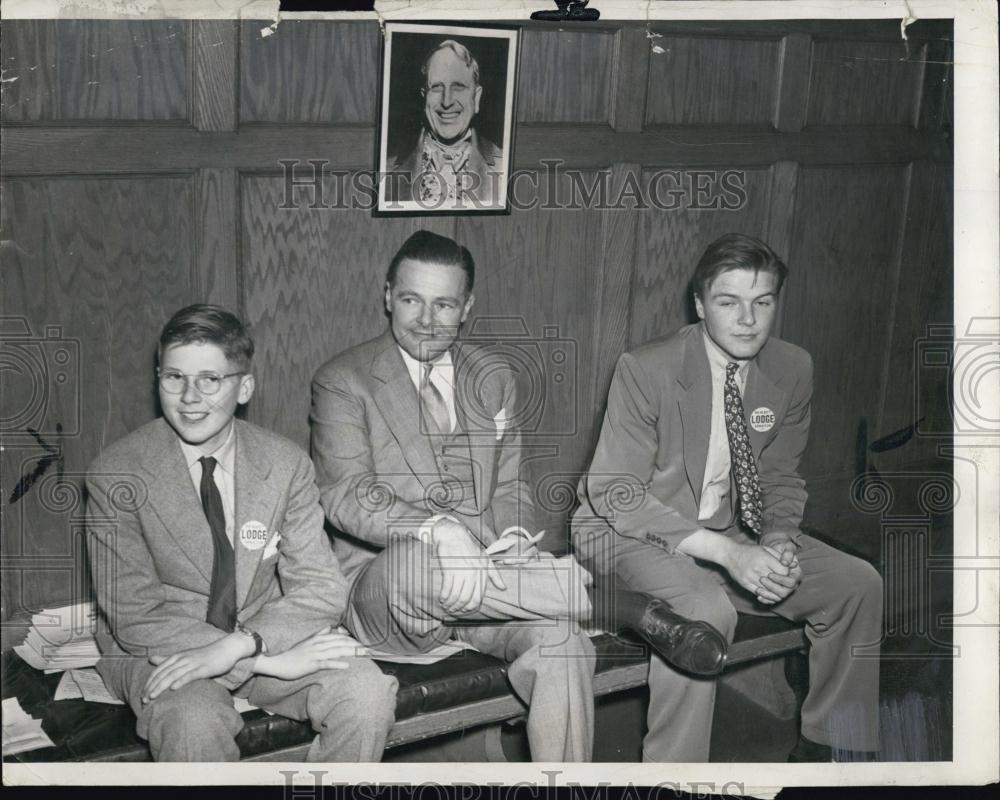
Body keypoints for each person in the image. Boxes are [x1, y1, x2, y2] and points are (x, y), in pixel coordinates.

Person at [572, 233, 883, 763]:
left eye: (762, 302)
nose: (748, 320)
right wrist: (730, 555)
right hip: (622, 533)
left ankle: (832, 754)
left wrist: (780, 537)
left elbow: (781, 475)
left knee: (858, 585)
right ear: (699, 305)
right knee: (703, 610)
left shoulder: (792, 369)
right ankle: (676, 774)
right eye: (728, 302)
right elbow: (616, 494)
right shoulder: (647, 369)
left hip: (733, 531)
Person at [310, 230, 595, 761]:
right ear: (387, 294)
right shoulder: (344, 381)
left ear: (467, 308)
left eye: (444, 304)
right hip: (391, 597)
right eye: (411, 299)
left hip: (485, 590)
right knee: (417, 563)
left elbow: (510, 482)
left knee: (564, 645)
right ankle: (579, 594)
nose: (425, 318)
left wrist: (512, 535)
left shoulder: (493, 376)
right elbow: (345, 494)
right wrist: (437, 530)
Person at [86, 304, 397, 762]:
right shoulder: (115, 475)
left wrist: (243, 644)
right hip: (163, 647)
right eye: (174, 378)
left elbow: (320, 589)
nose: (190, 396)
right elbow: (136, 619)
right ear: (158, 379)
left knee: (366, 693)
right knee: (193, 721)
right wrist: (262, 663)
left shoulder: (286, 464)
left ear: (244, 387)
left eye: (210, 379)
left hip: (264, 632)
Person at [386, 39, 504, 207]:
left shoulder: (504, 166)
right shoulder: (387, 168)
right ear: (424, 97)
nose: (447, 101)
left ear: (476, 98)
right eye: (436, 87)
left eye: (458, 87)